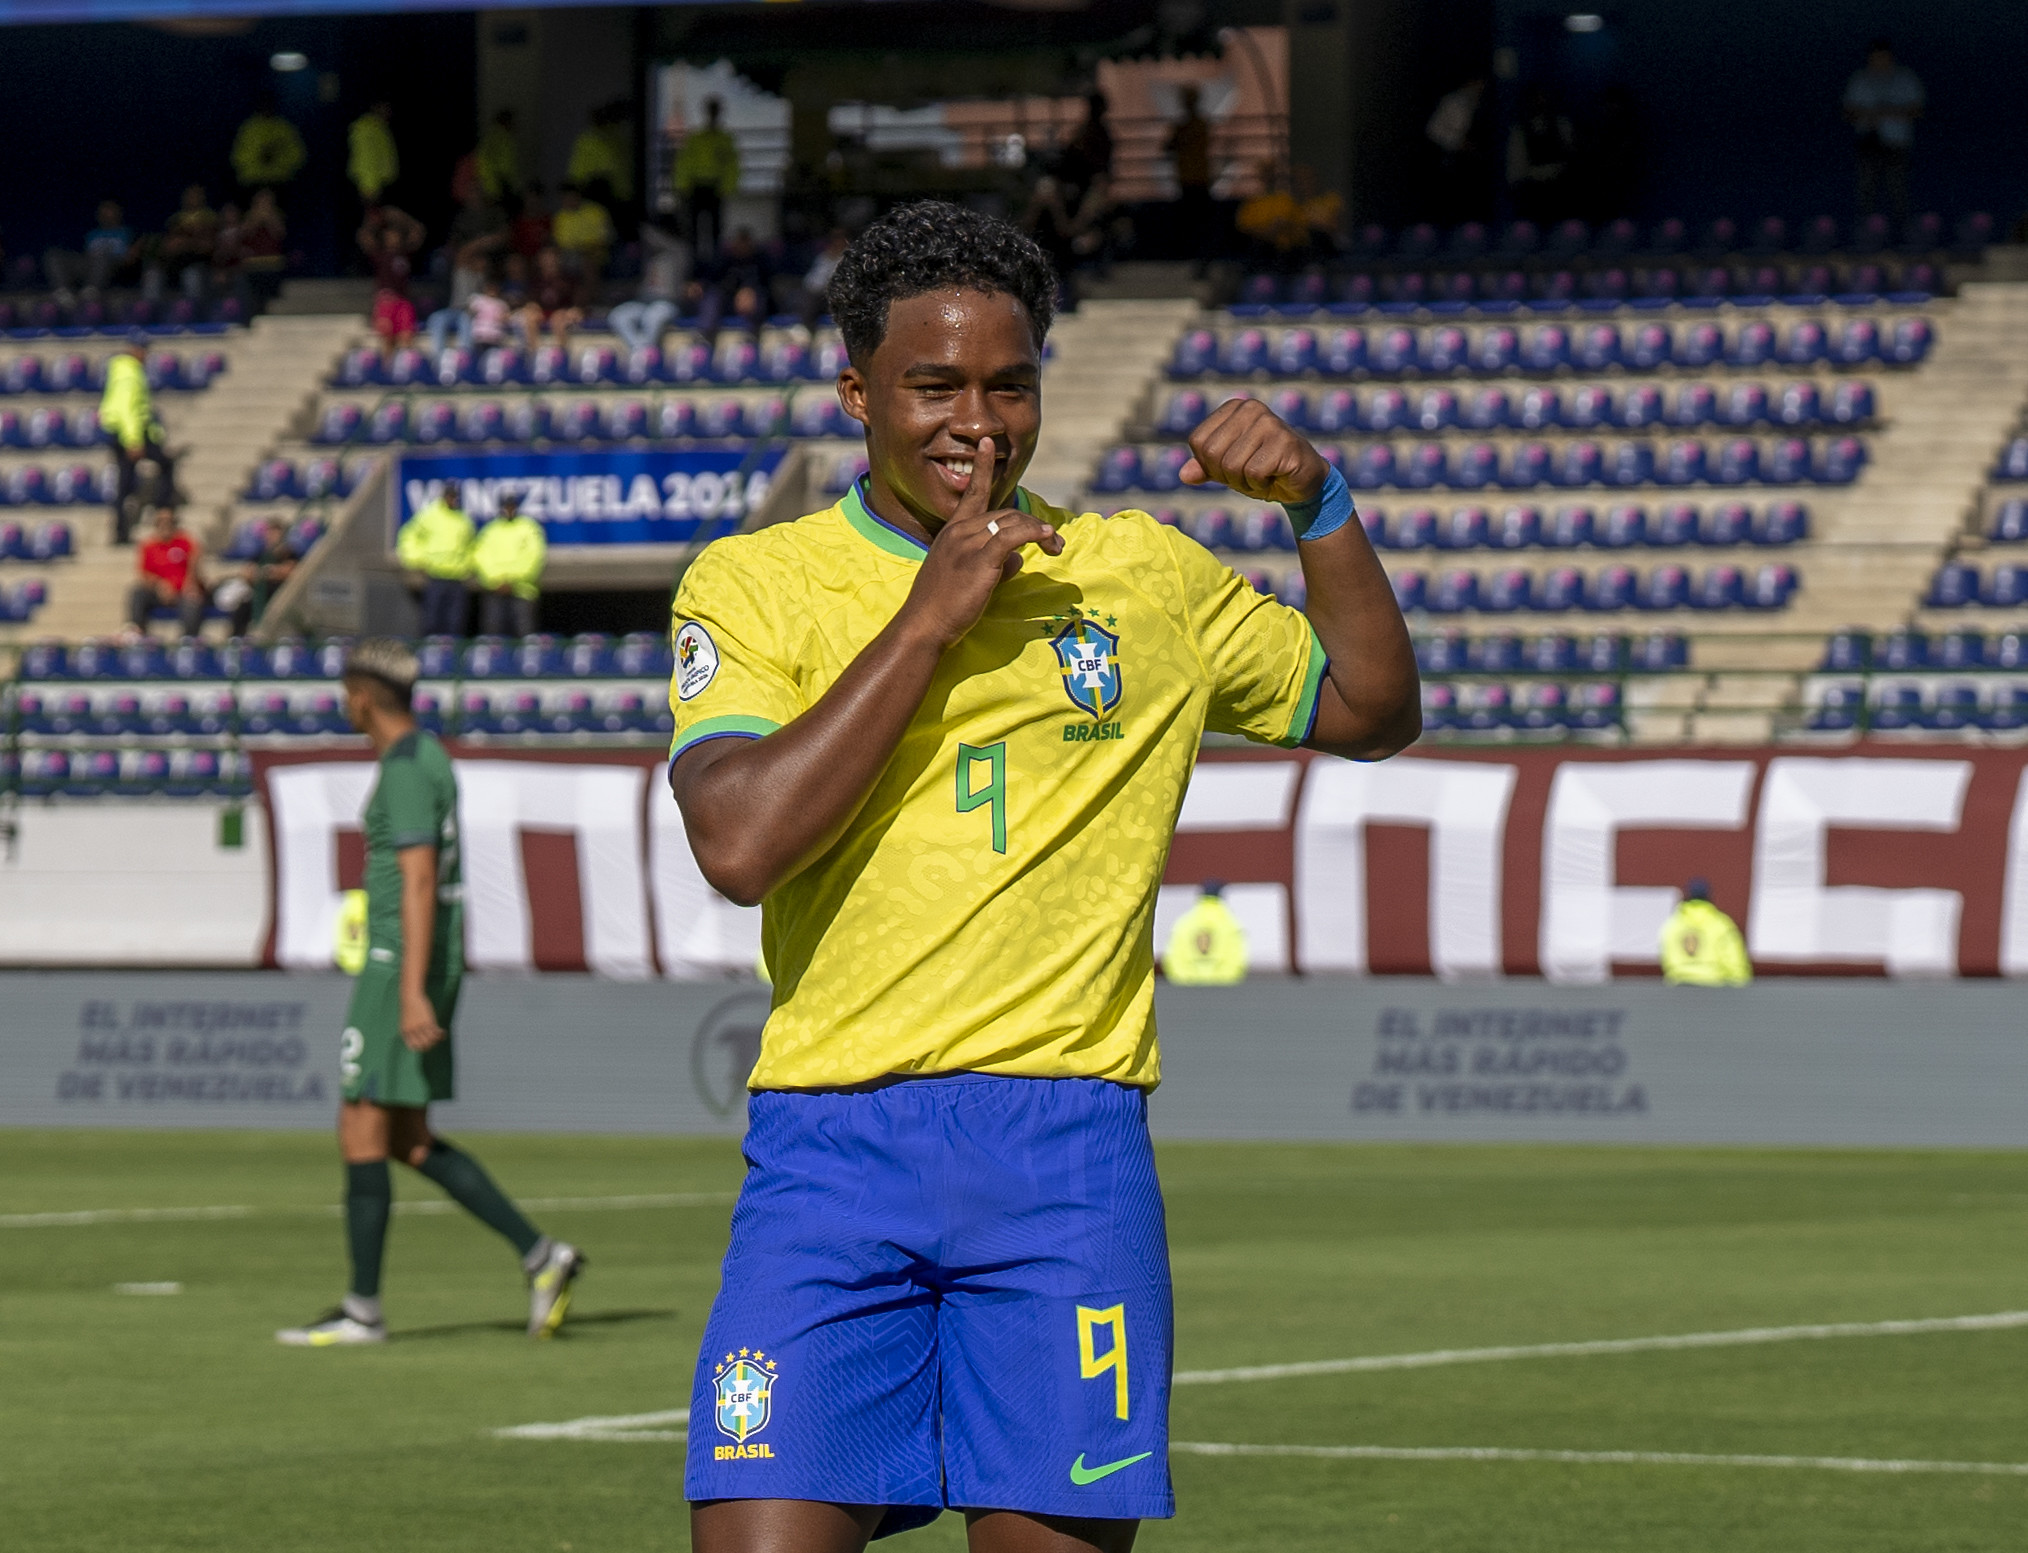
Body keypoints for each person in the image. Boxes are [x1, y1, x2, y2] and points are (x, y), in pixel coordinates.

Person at [665, 201, 1417, 1550]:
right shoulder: (757, 583)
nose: (979, 421)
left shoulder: (1139, 577)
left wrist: (1321, 503)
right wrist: (926, 619)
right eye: (934, 385)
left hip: (1063, 1157)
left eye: (1009, 384)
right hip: (830, 1152)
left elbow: (1371, 705)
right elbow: (738, 843)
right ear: (856, 392)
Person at [277, 639, 586, 1347]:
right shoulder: (427, 757)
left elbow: (419, 880)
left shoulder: (407, 768)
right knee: (408, 1137)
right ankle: (543, 1257)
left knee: (361, 1123)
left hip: (396, 964)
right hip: (414, 959)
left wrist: (411, 988)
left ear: (360, 694)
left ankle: (364, 1309)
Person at [1844, 39, 1924, 226]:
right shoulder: (1860, 79)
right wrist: (1869, 114)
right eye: (1875, 58)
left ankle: (1902, 232)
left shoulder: (1905, 78)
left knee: (1897, 188)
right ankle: (1866, 233)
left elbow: (1917, 110)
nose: (1879, 62)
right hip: (1868, 140)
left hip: (1896, 142)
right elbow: (1847, 112)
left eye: (1883, 57)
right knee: (1866, 188)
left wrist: (1888, 111)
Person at [101, 335, 168, 545]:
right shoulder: (129, 373)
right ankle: (160, 511)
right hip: (129, 434)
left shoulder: (123, 370)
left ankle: (123, 530)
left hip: (126, 433)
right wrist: (133, 440)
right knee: (130, 481)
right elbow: (128, 409)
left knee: (125, 483)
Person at [397, 482, 475, 637]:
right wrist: (416, 559)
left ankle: (451, 659)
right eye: (449, 496)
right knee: (432, 622)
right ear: (443, 496)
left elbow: (472, 546)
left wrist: (468, 565)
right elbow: (408, 535)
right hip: (435, 577)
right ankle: (430, 657)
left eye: (455, 496)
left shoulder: (463, 520)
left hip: (457, 578)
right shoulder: (430, 515)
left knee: (455, 624)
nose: (452, 499)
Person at [674, 97, 740, 261]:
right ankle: (694, 261)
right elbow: (685, 163)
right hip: (696, 186)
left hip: (715, 187)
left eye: (715, 111)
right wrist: (683, 185)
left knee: (716, 228)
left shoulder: (724, 139)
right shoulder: (696, 138)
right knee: (694, 228)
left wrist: (727, 187)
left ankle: (715, 261)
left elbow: (731, 166)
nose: (713, 115)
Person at [472, 494, 545, 638]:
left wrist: (512, 580)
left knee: (524, 633)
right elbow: (480, 557)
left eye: (512, 506)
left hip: (522, 590)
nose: (509, 510)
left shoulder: (528, 527)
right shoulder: (490, 530)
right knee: (493, 633)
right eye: (506, 506)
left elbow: (534, 557)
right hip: (495, 589)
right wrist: (496, 580)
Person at [126, 505, 205, 636]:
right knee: (137, 593)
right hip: (159, 591)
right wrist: (159, 585)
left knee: (192, 602)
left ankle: (189, 640)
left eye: (169, 522)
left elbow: (195, 561)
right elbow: (144, 573)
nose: (165, 526)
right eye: (161, 522)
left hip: (182, 591)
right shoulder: (149, 546)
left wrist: (189, 583)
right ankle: (137, 633)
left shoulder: (185, 541)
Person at [1659, 878, 1752, 987]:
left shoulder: (1673, 924)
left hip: (1679, 986)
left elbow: (1666, 956)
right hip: (1714, 988)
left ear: (1686, 896)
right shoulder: (1721, 924)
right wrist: (1740, 987)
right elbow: (1735, 962)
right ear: (1709, 897)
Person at [1425, 76, 1490, 226]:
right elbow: (1433, 130)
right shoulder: (1451, 101)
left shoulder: (1481, 103)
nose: (1480, 87)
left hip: (1473, 162)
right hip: (1453, 160)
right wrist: (1458, 143)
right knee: (1452, 201)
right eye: (1477, 82)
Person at [1507, 87, 1575, 223]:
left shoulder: (1562, 125)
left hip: (1559, 189)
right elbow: (1516, 168)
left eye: (1544, 98)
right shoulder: (1520, 130)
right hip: (1532, 192)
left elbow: (1570, 156)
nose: (1541, 102)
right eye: (1537, 99)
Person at [1165, 84, 1215, 270]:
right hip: (1188, 180)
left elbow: (1172, 145)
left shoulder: (1197, 126)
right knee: (1190, 224)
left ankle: (1201, 258)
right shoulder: (1186, 126)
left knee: (1200, 224)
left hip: (1198, 180)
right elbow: (1169, 147)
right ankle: (1190, 256)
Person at [222, 516, 298, 636]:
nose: (271, 537)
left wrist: (266, 572)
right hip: (260, 593)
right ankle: (236, 639)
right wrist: (270, 572)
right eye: (269, 533)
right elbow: (247, 573)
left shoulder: (288, 554)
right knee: (242, 608)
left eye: (275, 533)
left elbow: (291, 572)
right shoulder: (261, 555)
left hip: (280, 593)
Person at [45, 201, 136, 300]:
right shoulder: (92, 234)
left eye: (109, 210)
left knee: (101, 255)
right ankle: (62, 291)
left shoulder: (127, 232)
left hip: (113, 265)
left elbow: (132, 257)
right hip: (90, 264)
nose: (105, 214)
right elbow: (85, 254)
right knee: (53, 255)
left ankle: (92, 291)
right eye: (102, 211)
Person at [1162, 881, 1248, 985]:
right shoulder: (1230, 923)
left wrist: (1184, 982)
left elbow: (1173, 956)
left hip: (1187, 991)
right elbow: (1237, 959)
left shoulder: (1184, 922)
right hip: (1222, 991)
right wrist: (1223, 982)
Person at [232, 94, 307, 196]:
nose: (266, 108)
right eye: (263, 104)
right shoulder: (249, 129)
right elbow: (237, 157)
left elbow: (298, 156)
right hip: (253, 182)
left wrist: (277, 159)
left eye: (269, 104)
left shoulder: (284, 128)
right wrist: (258, 157)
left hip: (279, 181)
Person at [515, 247, 584, 353]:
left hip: (561, 311)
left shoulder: (567, 279)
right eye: (545, 259)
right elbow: (530, 299)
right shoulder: (535, 279)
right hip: (541, 312)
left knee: (558, 318)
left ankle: (561, 353)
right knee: (530, 317)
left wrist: (575, 309)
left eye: (551, 258)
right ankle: (534, 353)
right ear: (540, 261)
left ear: (557, 259)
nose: (549, 261)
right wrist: (532, 305)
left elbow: (576, 299)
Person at [158, 184, 220, 299]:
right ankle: (151, 312)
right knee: (153, 274)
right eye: (189, 196)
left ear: (202, 198)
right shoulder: (175, 219)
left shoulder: (210, 218)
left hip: (200, 264)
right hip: (175, 263)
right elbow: (168, 246)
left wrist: (186, 243)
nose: (192, 199)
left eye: (196, 196)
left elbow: (207, 246)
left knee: (191, 275)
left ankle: (193, 313)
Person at [550, 182, 615, 278]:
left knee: (587, 261)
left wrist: (585, 248)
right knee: (549, 259)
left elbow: (606, 239)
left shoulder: (596, 211)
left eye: (570, 197)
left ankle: (590, 293)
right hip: (568, 255)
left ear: (578, 195)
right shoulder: (560, 217)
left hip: (593, 255)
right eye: (564, 198)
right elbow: (558, 244)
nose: (568, 201)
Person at [349, 101, 400, 211]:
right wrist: (370, 188)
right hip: (371, 187)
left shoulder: (379, 126)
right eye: (385, 107)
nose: (388, 111)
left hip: (381, 185)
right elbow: (366, 159)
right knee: (373, 221)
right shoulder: (367, 127)